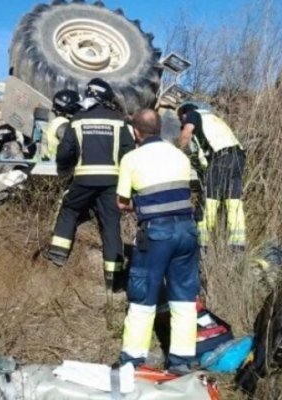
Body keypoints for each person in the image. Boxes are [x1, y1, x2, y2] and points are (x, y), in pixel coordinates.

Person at [117, 109, 200, 373]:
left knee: (143, 295)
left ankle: (133, 359)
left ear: (135, 132)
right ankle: (182, 360)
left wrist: (140, 205)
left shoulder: (131, 158)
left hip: (156, 233)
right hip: (187, 232)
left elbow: (121, 202)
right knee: (184, 298)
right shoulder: (179, 155)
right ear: (161, 127)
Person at [44, 78, 135, 293]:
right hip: (112, 181)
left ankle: (58, 254)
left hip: (84, 179)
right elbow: (128, 152)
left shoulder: (77, 119)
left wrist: (64, 166)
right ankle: (113, 276)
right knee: (111, 224)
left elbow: (65, 151)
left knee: (70, 209)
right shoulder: (119, 120)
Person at [177, 102, 246, 251]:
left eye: (181, 120)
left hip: (221, 159)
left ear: (184, 114)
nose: (182, 124)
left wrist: (177, 150)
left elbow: (187, 132)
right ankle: (237, 245)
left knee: (209, 200)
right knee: (233, 202)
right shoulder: (213, 118)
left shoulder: (193, 115)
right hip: (238, 158)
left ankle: (202, 244)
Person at [42, 89, 82, 161]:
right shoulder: (63, 124)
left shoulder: (54, 122)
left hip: (51, 163)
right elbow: (70, 146)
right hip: (59, 167)